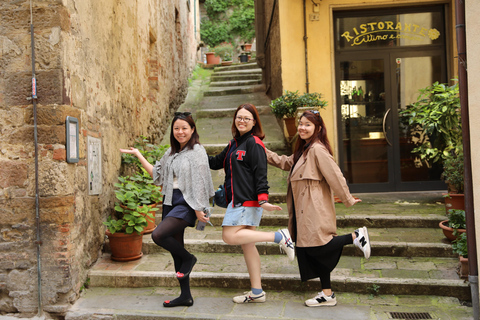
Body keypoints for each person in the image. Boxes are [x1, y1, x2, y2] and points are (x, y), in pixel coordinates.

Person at [265, 110, 371, 307]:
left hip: (313, 208)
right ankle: (327, 294)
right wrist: (262, 151)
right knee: (313, 250)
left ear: (318, 128)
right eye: (301, 124)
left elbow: (335, 175)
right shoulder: (304, 149)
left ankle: (356, 237)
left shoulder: (317, 149)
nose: (302, 128)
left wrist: (347, 198)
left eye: (307, 125)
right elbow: (286, 162)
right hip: (302, 209)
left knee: (318, 247)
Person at [120, 112, 214, 308]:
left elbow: (201, 181)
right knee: (175, 251)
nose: (180, 132)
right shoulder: (170, 153)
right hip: (171, 201)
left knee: (158, 235)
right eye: (176, 128)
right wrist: (139, 155)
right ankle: (185, 296)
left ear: (192, 129)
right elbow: (157, 175)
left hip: (187, 203)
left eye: (184, 128)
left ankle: (190, 258)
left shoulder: (198, 151)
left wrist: (198, 208)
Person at [209, 103, 295, 304]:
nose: (242, 121)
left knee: (229, 235)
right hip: (237, 200)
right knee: (248, 246)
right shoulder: (233, 144)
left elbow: (260, 173)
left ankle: (279, 236)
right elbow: (214, 162)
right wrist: (193, 153)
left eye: (247, 118)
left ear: (254, 122)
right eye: (239, 117)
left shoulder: (254, 143)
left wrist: (263, 199)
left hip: (246, 201)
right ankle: (257, 292)